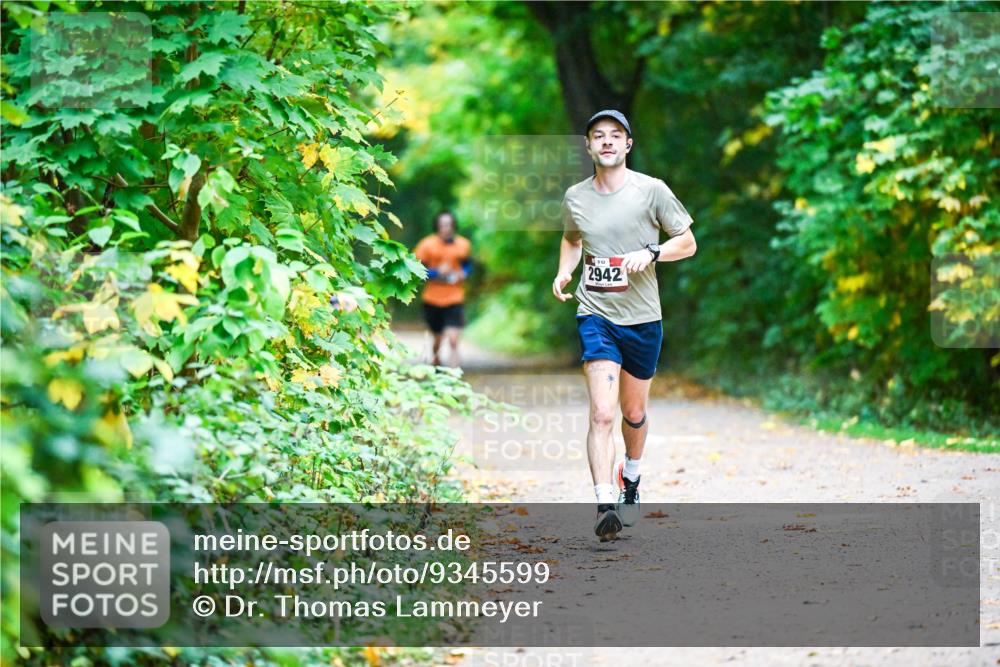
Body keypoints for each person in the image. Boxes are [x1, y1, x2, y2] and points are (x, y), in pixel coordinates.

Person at [552, 110, 697, 541]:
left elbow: (687, 243)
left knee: (633, 413)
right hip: (595, 312)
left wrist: (652, 253)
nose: (608, 142)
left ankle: (630, 477)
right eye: (599, 136)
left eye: (616, 135)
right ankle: (604, 504)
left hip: (643, 318)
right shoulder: (575, 197)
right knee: (601, 412)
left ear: (628, 145)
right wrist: (564, 272)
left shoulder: (652, 191)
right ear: (589, 146)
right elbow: (571, 238)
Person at [414, 211, 472, 367]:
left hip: (455, 296)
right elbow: (416, 270)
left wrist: (464, 273)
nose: (446, 228)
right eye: (442, 225)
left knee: (453, 339)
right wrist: (436, 272)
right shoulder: (426, 245)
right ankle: (436, 364)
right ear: (437, 227)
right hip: (432, 298)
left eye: (448, 224)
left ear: (453, 225)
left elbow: (467, 265)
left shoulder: (463, 244)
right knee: (438, 338)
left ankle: (454, 375)